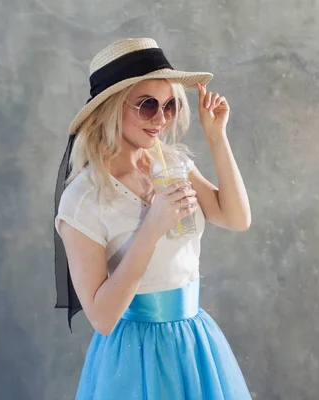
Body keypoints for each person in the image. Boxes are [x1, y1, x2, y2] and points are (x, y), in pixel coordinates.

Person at [53, 37, 252, 399]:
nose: (161, 119)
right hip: (134, 357)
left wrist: (217, 138)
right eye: (147, 106)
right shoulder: (83, 200)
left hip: (194, 343)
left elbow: (236, 218)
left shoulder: (171, 166)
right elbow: (102, 317)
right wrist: (153, 227)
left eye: (170, 106)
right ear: (111, 108)